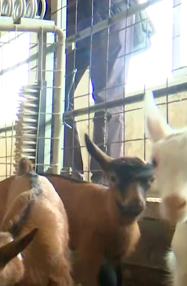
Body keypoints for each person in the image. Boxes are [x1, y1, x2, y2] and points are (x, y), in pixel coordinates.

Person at [62, 0, 153, 183]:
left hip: (110, 7)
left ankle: (105, 183)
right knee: (56, 101)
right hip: (68, 16)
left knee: (108, 98)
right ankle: (68, 178)